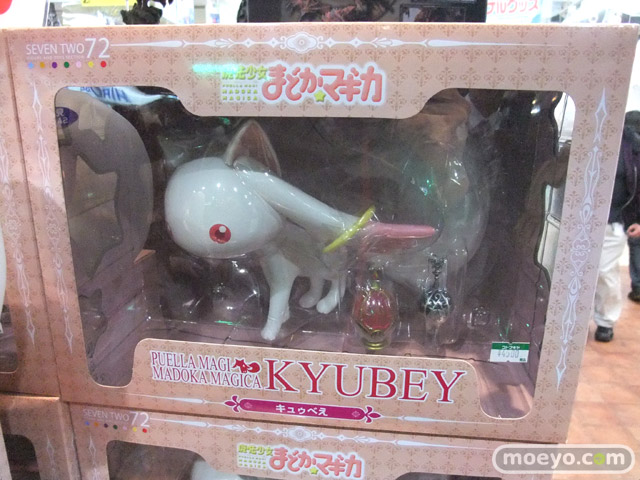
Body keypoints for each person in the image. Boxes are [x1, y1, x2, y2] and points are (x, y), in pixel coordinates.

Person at [594, 111, 640, 342]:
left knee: (604, 271)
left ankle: (605, 321)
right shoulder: (590, 136)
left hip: (615, 220)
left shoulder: (632, 147)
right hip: (581, 219)